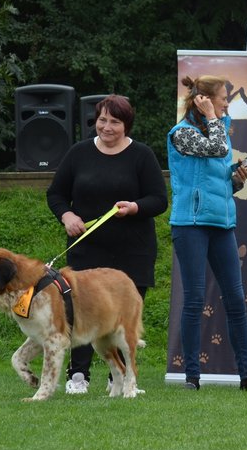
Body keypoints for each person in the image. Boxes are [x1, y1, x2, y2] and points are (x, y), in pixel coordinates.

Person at [47, 95, 167, 394]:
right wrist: (67, 214)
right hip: (87, 250)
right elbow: (56, 194)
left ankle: (122, 378)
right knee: (81, 312)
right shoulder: (78, 153)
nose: (107, 127)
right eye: (102, 120)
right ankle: (78, 377)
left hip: (132, 251)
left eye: (115, 122)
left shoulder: (142, 155)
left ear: (126, 125)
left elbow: (159, 199)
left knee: (121, 318)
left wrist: (135, 207)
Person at [167, 75, 247, 393]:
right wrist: (213, 117)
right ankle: (192, 377)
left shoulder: (217, 128)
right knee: (195, 300)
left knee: (236, 300)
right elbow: (216, 148)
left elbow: (219, 175)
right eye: (222, 98)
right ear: (204, 100)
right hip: (191, 224)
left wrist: (236, 179)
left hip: (222, 224)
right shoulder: (181, 133)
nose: (227, 103)